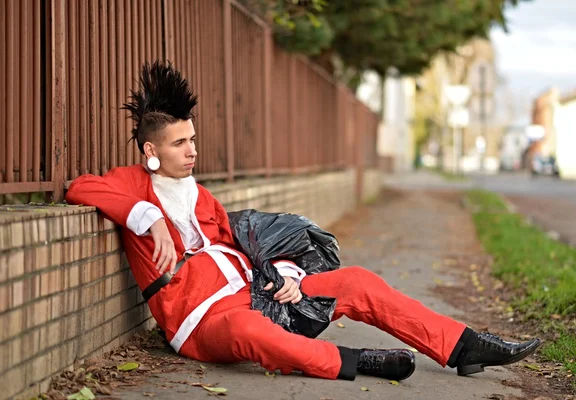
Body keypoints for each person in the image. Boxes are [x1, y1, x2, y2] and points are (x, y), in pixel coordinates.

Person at [65, 61, 541, 382]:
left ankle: (463, 346)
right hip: (204, 321)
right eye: (178, 144)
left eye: (192, 139)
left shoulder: (202, 196)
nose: (191, 151)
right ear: (150, 151)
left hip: (257, 292)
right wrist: (151, 220)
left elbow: (245, 248)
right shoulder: (129, 183)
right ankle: (357, 362)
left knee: (354, 281)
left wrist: (288, 275)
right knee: (253, 334)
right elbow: (80, 188)